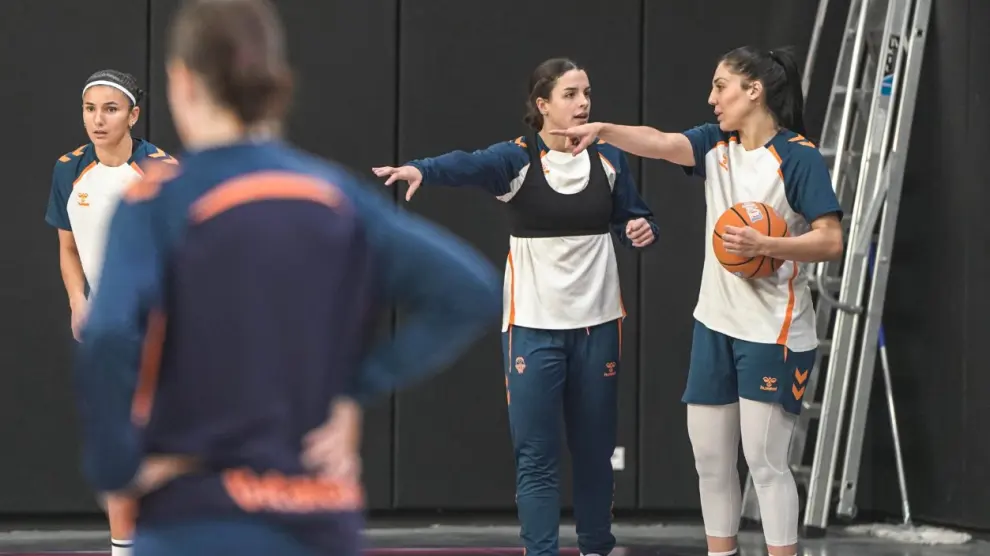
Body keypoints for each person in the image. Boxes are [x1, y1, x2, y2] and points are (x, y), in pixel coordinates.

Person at [70, 1, 502, 555]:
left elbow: (107, 333)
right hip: (318, 515)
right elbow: (469, 293)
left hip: (198, 517)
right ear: (276, 81)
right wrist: (353, 389)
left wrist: (115, 467)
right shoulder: (335, 195)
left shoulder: (158, 201)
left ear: (183, 81)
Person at [549, 46, 844, 556]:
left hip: (773, 330)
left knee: (765, 463)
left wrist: (766, 245)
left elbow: (831, 240)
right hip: (714, 326)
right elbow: (661, 143)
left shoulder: (798, 157)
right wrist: (604, 131)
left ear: (754, 91)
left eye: (721, 86)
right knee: (710, 460)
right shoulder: (715, 144)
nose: (711, 98)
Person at [373, 57, 659, 556]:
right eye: (570, 94)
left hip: (598, 327)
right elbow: (466, 163)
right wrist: (421, 169)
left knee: (595, 453)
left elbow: (632, 216)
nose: (584, 103)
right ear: (542, 104)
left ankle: (596, 547)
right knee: (536, 454)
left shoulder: (610, 157)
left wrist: (641, 228)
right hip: (532, 328)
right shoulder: (517, 159)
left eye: (587, 93)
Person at [44, 68, 177, 556]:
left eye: (111, 109)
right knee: (120, 450)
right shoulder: (69, 169)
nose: (98, 120)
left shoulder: (160, 170)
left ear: (133, 115)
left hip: (163, 328)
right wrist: (78, 300)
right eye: (90, 109)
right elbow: (68, 248)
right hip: (110, 332)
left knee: (169, 449)